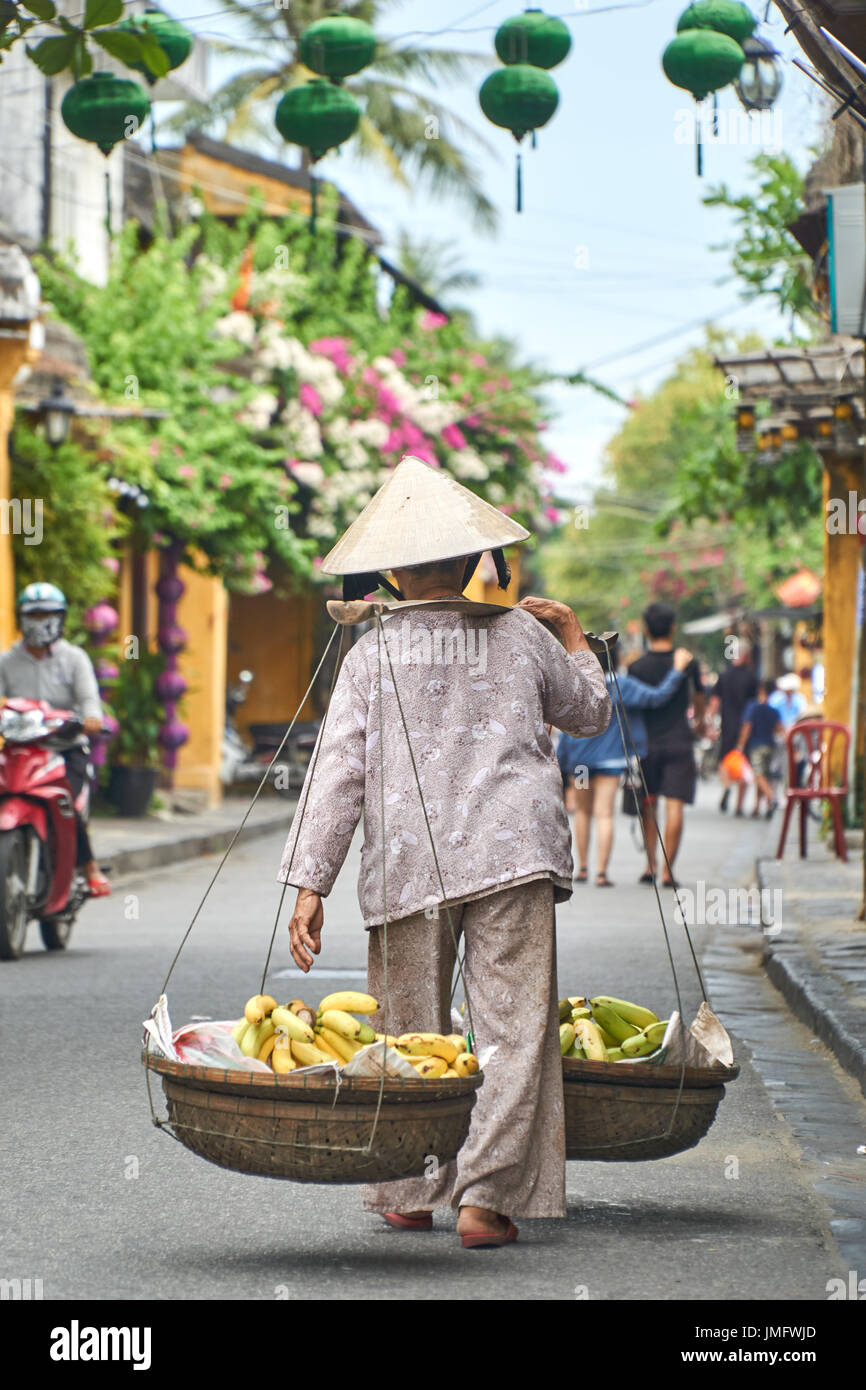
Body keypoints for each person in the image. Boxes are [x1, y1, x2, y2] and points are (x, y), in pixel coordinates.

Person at [277, 455, 611, 1249]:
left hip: (407, 864)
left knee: (404, 1026)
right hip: (513, 851)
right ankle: (486, 1201)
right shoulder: (526, 635)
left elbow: (339, 774)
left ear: (391, 570)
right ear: (472, 563)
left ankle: (407, 1187)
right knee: (513, 1027)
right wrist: (575, 638)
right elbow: (590, 713)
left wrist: (308, 883)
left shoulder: (371, 654)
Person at [0, 583, 110, 896]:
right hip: (20, 751)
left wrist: (91, 719)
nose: (40, 620)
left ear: (60, 618)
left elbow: (89, 700)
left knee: (66, 804)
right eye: (33, 613)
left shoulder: (74, 659)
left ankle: (89, 867)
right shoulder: (6, 661)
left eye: (47, 613)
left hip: (65, 750)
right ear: (21, 618)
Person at [556, 644, 693, 886]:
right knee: (604, 814)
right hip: (611, 761)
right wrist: (677, 671)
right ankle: (601, 873)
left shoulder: (574, 686)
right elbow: (657, 696)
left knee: (582, 813)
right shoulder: (621, 685)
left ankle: (583, 869)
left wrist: (563, 764)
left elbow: (565, 727)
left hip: (580, 764)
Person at [628, 602, 705, 888]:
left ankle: (650, 864)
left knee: (649, 804)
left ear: (646, 630)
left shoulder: (635, 666)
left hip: (646, 745)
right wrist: (699, 722)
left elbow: (632, 706)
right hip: (679, 742)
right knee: (675, 806)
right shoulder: (688, 662)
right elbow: (699, 698)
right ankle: (667, 871)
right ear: (673, 627)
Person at [710, 637, 757, 815]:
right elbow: (755, 704)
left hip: (727, 725)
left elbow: (715, 701)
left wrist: (709, 723)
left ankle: (727, 785)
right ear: (746, 655)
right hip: (746, 727)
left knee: (724, 761)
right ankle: (739, 805)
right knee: (744, 764)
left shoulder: (724, 675)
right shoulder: (751, 677)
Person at [736, 681, 781, 818]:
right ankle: (759, 807)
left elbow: (747, 727)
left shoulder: (752, 707)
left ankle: (772, 798)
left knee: (758, 775)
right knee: (765, 776)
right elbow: (779, 729)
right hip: (770, 746)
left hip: (756, 747)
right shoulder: (773, 710)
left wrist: (740, 746)